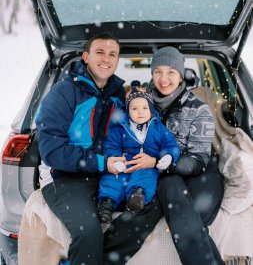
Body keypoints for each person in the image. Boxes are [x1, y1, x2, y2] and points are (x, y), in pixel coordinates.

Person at [36, 32, 162, 265]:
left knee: (149, 209)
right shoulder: (64, 93)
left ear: (117, 60)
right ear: (86, 56)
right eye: (100, 52)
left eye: (112, 54)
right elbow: (52, 151)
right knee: (88, 231)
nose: (106, 59)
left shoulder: (117, 94)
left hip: (106, 174)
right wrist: (103, 162)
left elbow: (140, 124)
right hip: (64, 175)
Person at [150, 46, 225, 265]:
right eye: (158, 71)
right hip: (160, 177)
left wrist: (164, 164)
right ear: (152, 73)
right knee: (174, 193)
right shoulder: (139, 105)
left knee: (194, 214)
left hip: (195, 171)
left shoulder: (198, 109)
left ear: (181, 75)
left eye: (171, 72)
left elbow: (199, 159)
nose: (164, 79)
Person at [98, 81, 181, 224]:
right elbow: (111, 145)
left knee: (146, 178)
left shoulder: (157, 128)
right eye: (134, 108)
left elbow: (171, 145)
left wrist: (167, 157)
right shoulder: (120, 128)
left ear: (151, 110)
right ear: (127, 111)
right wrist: (115, 159)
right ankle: (107, 205)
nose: (140, 112)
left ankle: (137, 197)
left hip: (146, 164)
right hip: (125, 162)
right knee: (113, 179)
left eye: (144, 107)